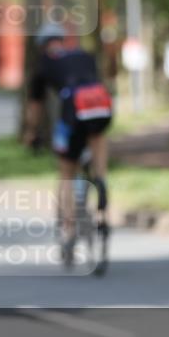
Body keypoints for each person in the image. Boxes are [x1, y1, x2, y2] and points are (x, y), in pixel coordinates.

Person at [23, 22, 113, 256]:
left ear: (42, 45)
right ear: (62, 40)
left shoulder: (43, 64)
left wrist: (32, 132)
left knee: (66, 173)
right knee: (97, 136)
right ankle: (101, 178)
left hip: (72, 110)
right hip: (99, 105)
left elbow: (35, 106)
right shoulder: (84, 55)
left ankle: (69, 230)